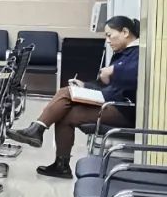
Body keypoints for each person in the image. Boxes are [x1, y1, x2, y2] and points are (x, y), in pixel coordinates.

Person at [8, 16, 140, 178]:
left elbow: (134, 76)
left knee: (66, 92)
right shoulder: (124, 53)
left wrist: (114, 71)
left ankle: (37, 129)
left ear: (125, 32)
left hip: (124, 109)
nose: (107, 40)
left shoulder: (139, 52)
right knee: (65, 114)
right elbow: (107, 85)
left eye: (109, 35)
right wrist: (85, 86)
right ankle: (61, 165)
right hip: (112, 102)